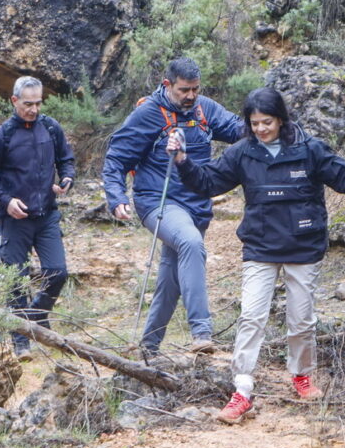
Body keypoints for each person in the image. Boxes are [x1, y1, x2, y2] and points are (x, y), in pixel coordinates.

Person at [168, 87, 345, 424]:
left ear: (281, 119)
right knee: (251, 317)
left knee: (301, 319)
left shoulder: (309, 148)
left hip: (304, 246)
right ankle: (242, 390)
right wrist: (182, 160)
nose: (261, 129)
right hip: (260, 246)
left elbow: (344, 174)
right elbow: (209, 182)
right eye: (254, 123)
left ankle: (301, 376)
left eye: (267, 122)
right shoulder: (242, 153)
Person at [102, 57, 243, 355]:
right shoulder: (148, 113)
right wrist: (116, 197)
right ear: (168, 85)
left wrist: (274, 128)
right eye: (184, 90)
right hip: (158, 201)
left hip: (197, 206)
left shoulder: (205, 109)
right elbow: (116, 157)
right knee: (190, 243)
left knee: (171, 279)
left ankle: (148, 348)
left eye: (195, 89)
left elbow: (238, 130)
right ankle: (202, 332)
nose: (190, 96)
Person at [0, 76, 76, 360]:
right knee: (16, 279)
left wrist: (67, 179)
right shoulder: (2, 135)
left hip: (47, 215)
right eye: (28, 104)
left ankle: (37, 315)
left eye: (38, 103)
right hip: (15, 219)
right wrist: (6, 202)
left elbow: (66, 160)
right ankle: (21, 342)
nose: (34, 109)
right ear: (14, 101)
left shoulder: (51, 128)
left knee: (58, 272)